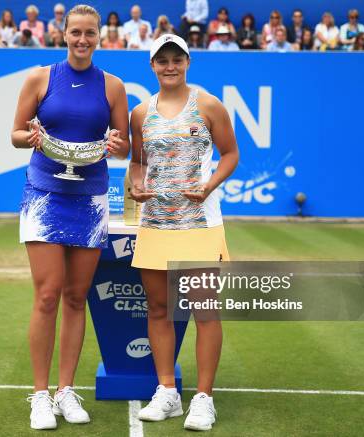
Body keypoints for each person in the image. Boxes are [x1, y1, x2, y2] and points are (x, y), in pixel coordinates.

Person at [11, 4, 129, 430]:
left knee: (77, 297)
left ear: (101, 37)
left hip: (91, 198)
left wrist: (117, 145)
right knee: (47, 295)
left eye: (90, 34)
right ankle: (40, 396)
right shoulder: (39, 78)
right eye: (75, 32)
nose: (82, 40)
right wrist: (33, 138)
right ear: (63, 34)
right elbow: (16, 135)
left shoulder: (113, 87)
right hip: (44, 196)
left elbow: (124, 145)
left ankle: (65, 391)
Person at [129, 33, 238, 432]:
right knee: (158, 309)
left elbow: (231, 154)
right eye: (162, 60)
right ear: (153, 66)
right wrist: (135, 185)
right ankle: (167, 392)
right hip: (156, 224)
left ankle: (204, 399)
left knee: (205, 312)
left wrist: (210, 186)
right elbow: (137, 162)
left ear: (187, 62)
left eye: (177, 59)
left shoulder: (208, 104)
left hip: (199, 226)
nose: (170, 65)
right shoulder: (140, 112)